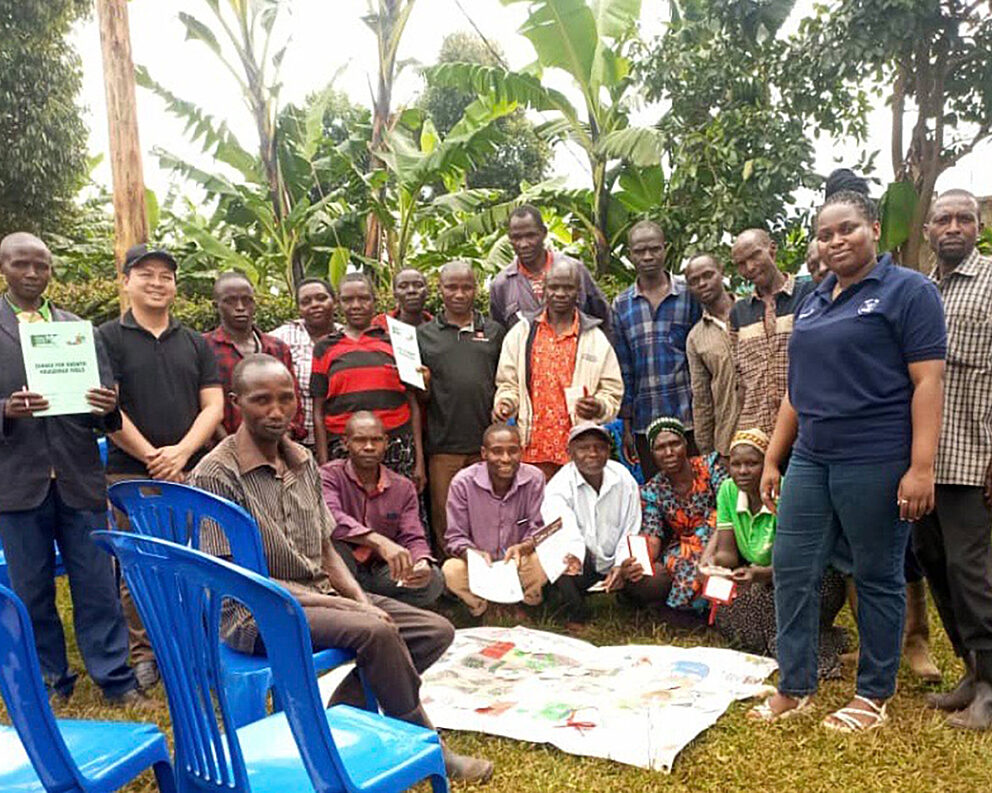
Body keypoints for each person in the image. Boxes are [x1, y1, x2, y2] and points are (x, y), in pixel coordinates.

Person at [188, 354, 492, 782]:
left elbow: (327, 549)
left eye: (285, 399)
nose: (276, 411)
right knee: (377, 630)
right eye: (261, 401)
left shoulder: (303, 461)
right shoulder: (217, 474)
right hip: (256, 612)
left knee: (434, 630)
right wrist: (358, 613)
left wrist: (360, 599)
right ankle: (430, 744)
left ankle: (341, 712)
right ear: (236, 402)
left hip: (317, 597)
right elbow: (236, 579)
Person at [754, 188, 945, 732]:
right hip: (812, 456)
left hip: (876, 454)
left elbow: (927, 380)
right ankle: (795, 684)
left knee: (876, 573)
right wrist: (774, 457)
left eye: (847, 229)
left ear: (874, 229)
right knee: (792, 567)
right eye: (825, 234)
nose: (836, 241)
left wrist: (921, 466)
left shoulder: (909, 292)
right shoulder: (816, 298)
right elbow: (796, 389)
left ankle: (872, 693)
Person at [0, 233, 143, 706]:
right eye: (22, 264)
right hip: (18, 482)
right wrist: (6, 410)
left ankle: (116, 679)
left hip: (78, 477)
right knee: (31, 587)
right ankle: (49, 679)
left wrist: (107, 406)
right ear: (4, 267)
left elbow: (104, 411)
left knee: (96, 583)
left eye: (41, 265)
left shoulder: (77, 329)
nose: (33, 273)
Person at [99, 243, 224, 690]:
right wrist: (154, 455)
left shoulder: (195, 342)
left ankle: (195, 643)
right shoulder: (106, 338)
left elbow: (213, 404)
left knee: (194, 557)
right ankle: (146, 653)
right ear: (127, 280)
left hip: (189, 470)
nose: (156, 283)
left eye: (165, 275)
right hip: (130, 471)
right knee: (141, 563)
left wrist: (181, 455)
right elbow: (105, 409)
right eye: (145, 274)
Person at [914, 189, 992, 730]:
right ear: (927, 231)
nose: (953, 227)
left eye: (965, 218)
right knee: (938, 566)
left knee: (974, 573)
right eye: (943, 219)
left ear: (980, 227)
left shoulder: (989, 284)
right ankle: (972, 669)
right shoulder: (923, 290)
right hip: (923, 461)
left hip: (975, 454)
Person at [699, 429, 848, 678]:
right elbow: (728, 554)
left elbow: (802, 563)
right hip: (764, 579)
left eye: (752, 463)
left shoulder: (787, 492)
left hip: (812, 579)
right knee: (727, 613)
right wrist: (712, 566)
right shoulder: (727, 490)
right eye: (736, 464)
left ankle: (820, 651)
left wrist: (761, 576)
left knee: (771, 615)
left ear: (768, 464)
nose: (743, 471)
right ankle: (825, 637)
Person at [493, 260, 622, 481]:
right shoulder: (522, 333)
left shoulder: (594, 338)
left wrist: (599, 405)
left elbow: (612, 390)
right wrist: (506, 403)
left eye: (568, 287)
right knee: (538, 512)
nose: (560, 293)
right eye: (554, 287)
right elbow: (508, 383)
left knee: (576, 513)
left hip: (577, 448)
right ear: (544, 289)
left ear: (578, 292)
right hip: (532, 448)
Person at [417, 260, 505, 553]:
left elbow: (506, 381)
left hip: (487, 444)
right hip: (443, 445)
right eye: (451, 287)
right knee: (446, 517)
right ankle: (452, 579)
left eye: (466, 287)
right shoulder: (423, 335)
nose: (459, 294)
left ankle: (489, 577)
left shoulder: (494, 331)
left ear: (475, 290)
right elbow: (418, 397)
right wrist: (425, 384)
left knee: (487, 515)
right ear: (440, 289)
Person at [311, 273, 425, 491]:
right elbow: (318, 410)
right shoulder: (325, 347)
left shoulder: (399, 340)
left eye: (363, 298)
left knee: (399, 516)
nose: (356, 305)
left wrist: (419, 462)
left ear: (375, 301)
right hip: (344, 449)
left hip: (396, 446)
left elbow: (413, 403)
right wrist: (324, 463)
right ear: (338, 303)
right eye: (348, 299)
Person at [320, 411, 444, 608]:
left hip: (380, 573)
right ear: (346, 443)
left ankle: (367, 604)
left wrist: (422, 561)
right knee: (331, 547)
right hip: (342, 569)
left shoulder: (402, 487)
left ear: (386, 443)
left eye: (376, 440)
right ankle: (358, 603)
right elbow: (331, 518)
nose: (369, 447)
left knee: (433, 580)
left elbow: (412, 536)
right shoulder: (328, 476)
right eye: (360, 440)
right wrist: (379, 542)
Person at [612, 221, 702, 480]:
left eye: (654, 249)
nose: (648, 256)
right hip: (645, 424)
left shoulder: (688, 295)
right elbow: (624, 368)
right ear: (630, 255)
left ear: (665, 249)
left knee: (697, 488)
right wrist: (627, 426)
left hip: (689, 419)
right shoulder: (621, 305)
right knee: (657, 492)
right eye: (640, 251)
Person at [541, 423, 643, 630]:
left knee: (644, 572)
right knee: (557, 551)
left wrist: (620, 565)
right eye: (583, 448)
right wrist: (576, 558)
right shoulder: (559, 486)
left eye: (599, 447)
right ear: (570, 453)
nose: (592, 453)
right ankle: (576, 610)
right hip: (580, 563)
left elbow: (631, 527)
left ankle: (633, 602)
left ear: (609, 450)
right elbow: (565, 531)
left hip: (613, 560)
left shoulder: (623, 478)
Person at [442, 423, 548, 618]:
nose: (505, 459)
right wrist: (472, 555)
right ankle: (484, 608)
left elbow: (539, 527)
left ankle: (525, 605)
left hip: (519, 561)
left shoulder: (534, 479)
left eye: (512, 451)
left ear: (521, 452)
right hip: (482, 566)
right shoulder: (463, 482)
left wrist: (524, 547)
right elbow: (455, 536)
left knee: (543, 560)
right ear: (484, 453)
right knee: (451, 570)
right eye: (497, 452)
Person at [628, 417, 727, 618]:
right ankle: (690, 611)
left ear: (685, 444)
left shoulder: (710, 466)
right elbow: (653, 534)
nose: (669, 452)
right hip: (683, 546)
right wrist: (639, 563)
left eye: (674, 444)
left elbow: (729, 509)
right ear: (653, 454)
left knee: (700, 560)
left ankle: (690, 612)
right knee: (671, 564)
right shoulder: (653, 489)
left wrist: (708, 550)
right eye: (660, 447)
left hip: (722, 535)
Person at [729, 228, 814, 437]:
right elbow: (739, 378)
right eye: (741, 263)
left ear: (772, 250)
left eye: (755, 255)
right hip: (758, 432)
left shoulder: (809, 293)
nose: (750, 267)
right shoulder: (739, 312)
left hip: (807, 426)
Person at [203, 271, 304, 440]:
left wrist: (283, 442)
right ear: (216, 306)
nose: (240, 307)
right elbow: (202, 406)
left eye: (247, 300)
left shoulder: (277, 348)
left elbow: (293, 400)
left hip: (278, 446)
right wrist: (232, 449)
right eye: (230, 301)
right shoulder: (204, 348)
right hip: (223, 450)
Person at [488, 204, 609, 331]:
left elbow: (604, 319)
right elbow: (499, 335)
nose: (523, 244)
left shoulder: (575, 270)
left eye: (530, 236)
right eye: (516, 237)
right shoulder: (501, 285)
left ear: (544, 233)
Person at [269, 277, 340, 452]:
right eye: (306, 301)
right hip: (294, 441)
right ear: (299, 309)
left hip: (341, 440)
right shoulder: (279, 339)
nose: (315, 305)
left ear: (335, 302)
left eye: (321, 298)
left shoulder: (346, 337)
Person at [684, 252, 740, 461]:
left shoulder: (754, 310)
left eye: (708, 275)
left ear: (721, 272)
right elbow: (702, 400)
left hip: (771, 433)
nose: (702, 284)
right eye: (694, 281)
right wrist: (708, 453)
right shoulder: (696, 338)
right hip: (729, 441)